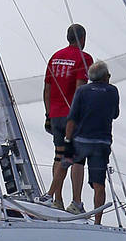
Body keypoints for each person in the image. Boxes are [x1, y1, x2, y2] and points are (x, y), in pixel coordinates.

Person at [42, 24, 92, 209]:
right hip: (73, 115)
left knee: (59, 156)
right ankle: (76, 202)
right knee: (77, 158)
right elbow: (80, 89)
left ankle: (57, 200)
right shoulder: (84, 58)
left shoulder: (55, 57)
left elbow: (47, 89)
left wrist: (48, 114)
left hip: (55, 115)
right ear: (83, 38)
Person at [64, 59, 120, 223]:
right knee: (99, 183)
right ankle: (97, 221)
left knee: (77, 163)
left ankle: (76, 201)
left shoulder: (82, 91)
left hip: (81, 139)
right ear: (105, 77)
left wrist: (67, 141)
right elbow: (115, 114)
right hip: (101, 142)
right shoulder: (112, 91)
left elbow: (72, 118)